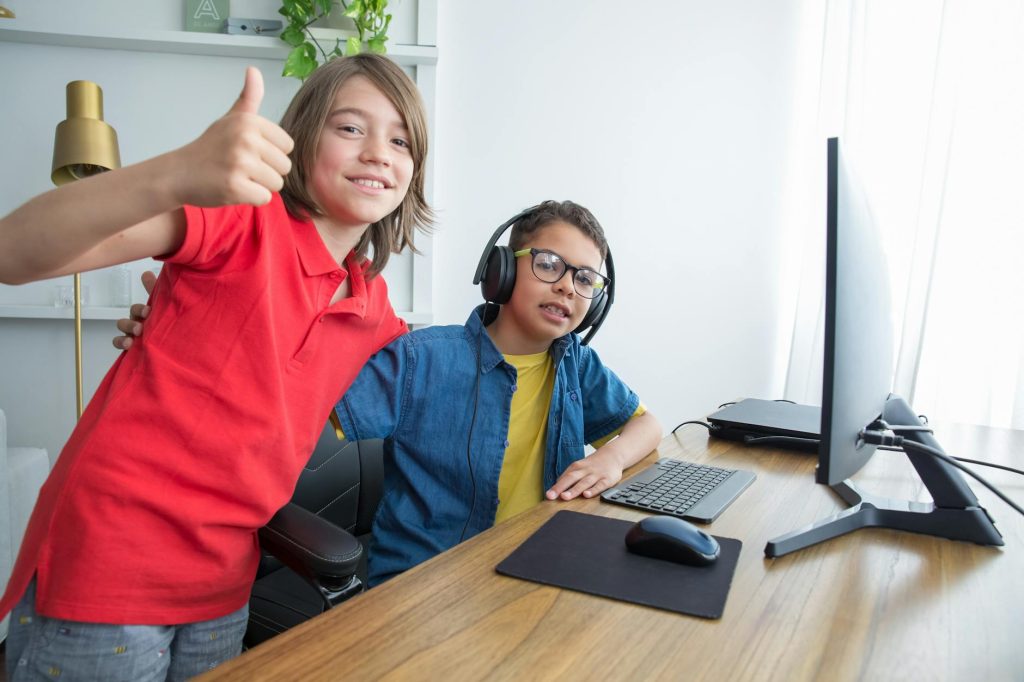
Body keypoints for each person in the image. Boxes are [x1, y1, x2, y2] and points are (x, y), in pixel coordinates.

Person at [0, 53, 432, 681]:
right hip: (112, 560)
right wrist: (178, 173)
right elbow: (12, 254)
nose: (377, 152)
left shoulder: (374, 310)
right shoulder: (241, 220)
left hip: (224, 587)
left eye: (400, 139)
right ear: (300, 138)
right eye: (349, 128)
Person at [119, 201, 662, 586]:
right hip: (430, 586)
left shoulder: (577, 364)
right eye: (549, 265)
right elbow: (290, 393)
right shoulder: (421, 359)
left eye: (586, 279)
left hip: (539, 571)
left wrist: (611, 457)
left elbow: (648, 426)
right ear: (500, 271)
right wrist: (186, 330)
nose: (569, 286)